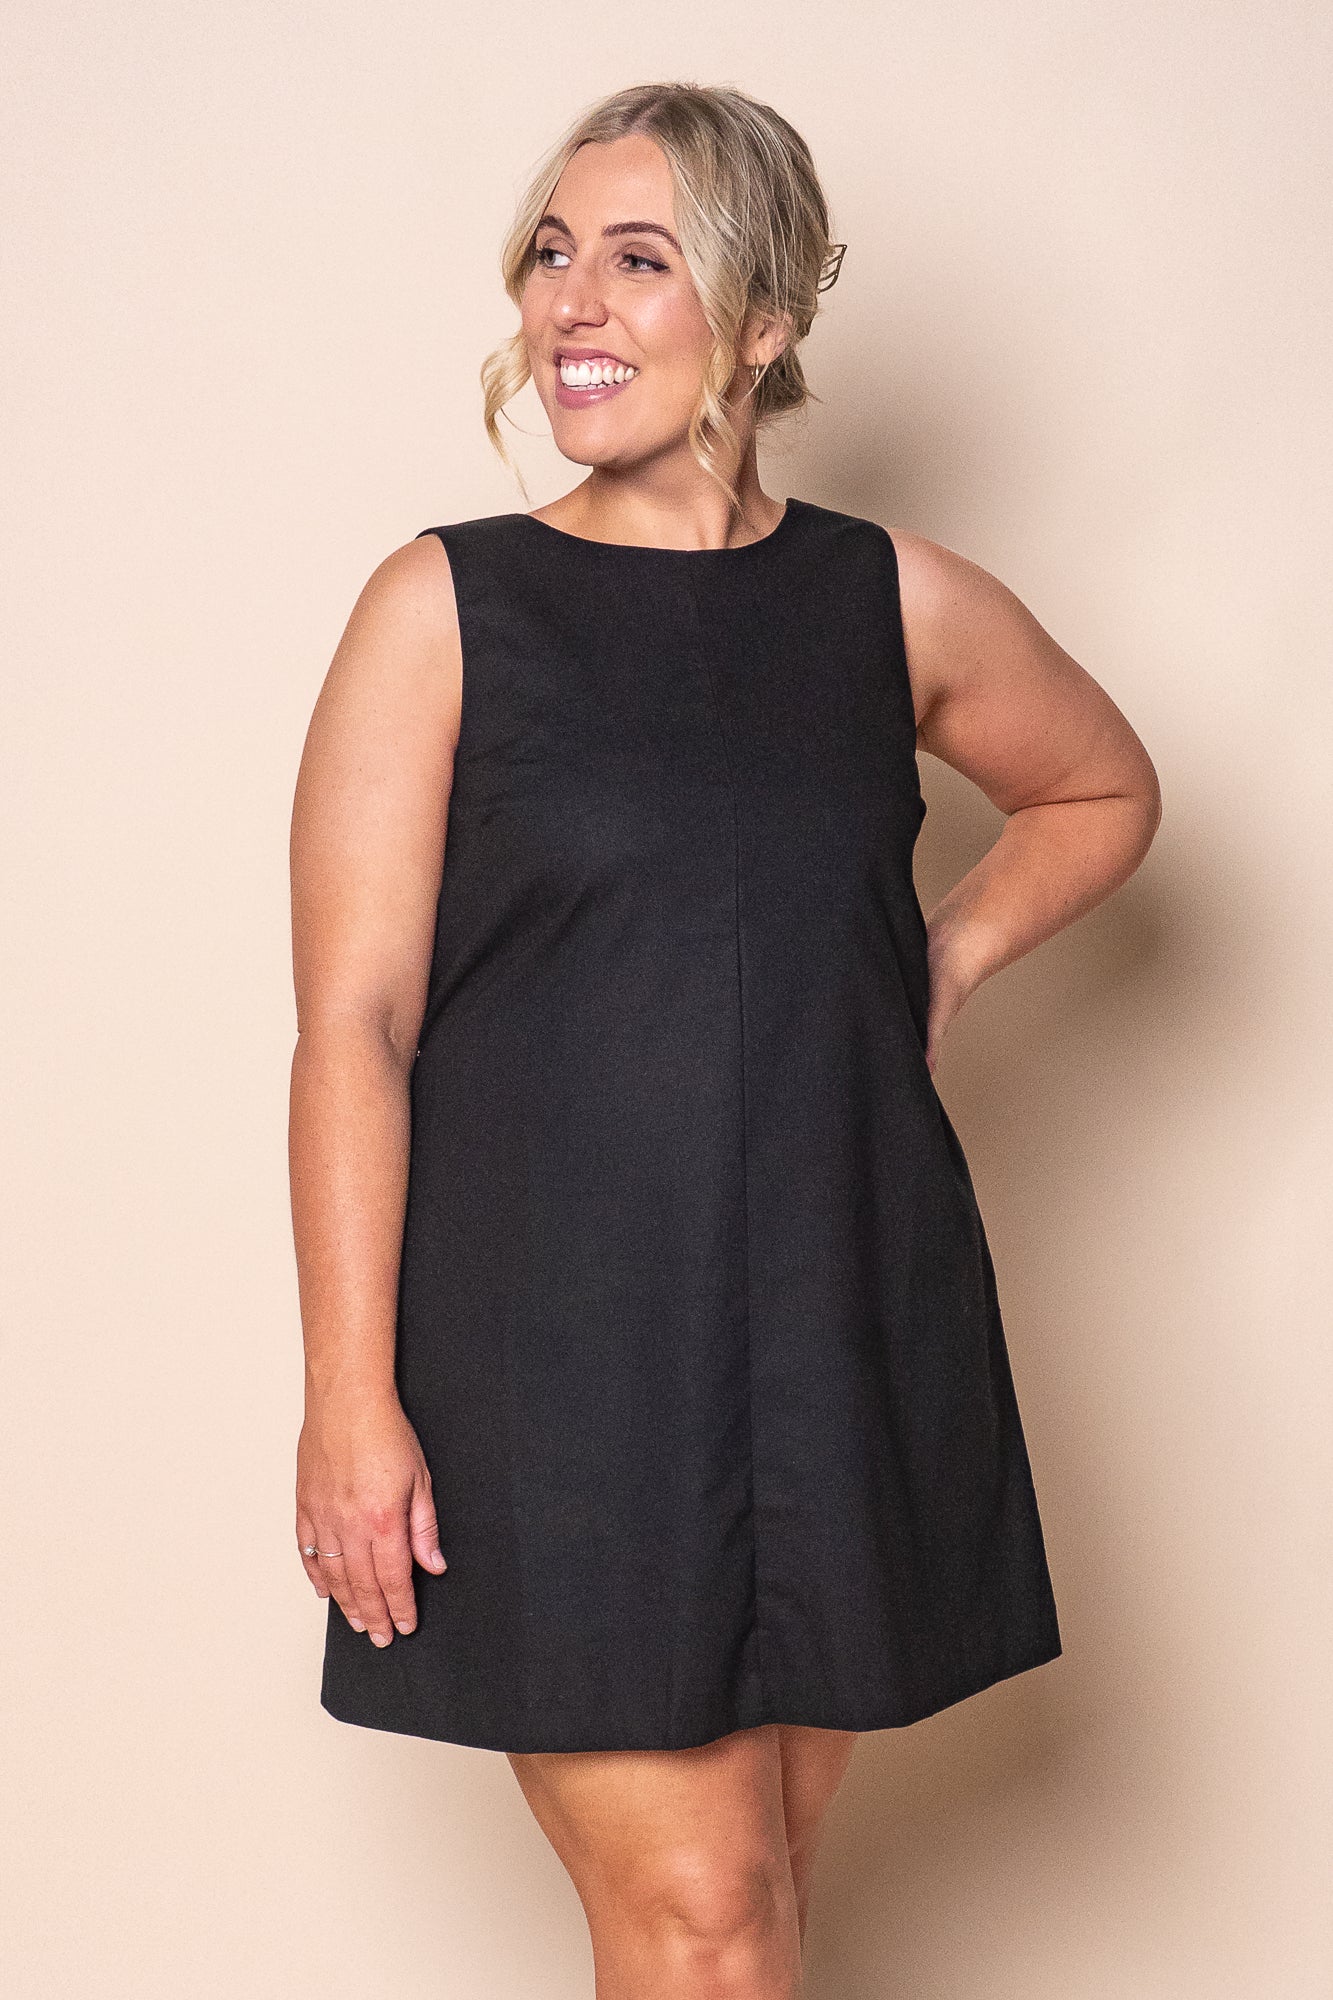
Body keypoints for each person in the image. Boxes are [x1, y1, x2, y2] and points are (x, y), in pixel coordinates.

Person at [288, 81, 1161, 2000]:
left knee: (747, 1905)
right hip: (552, 1355)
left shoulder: (887, 600)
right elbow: (352, 1023)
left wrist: (935, 963)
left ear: (762, 321)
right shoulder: (444, 608)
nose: (572, 303)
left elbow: (1100, 790)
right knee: (707, 1916)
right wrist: (349, 1395)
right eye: (550, 255)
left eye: (638, 259)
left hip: (833, 1310)